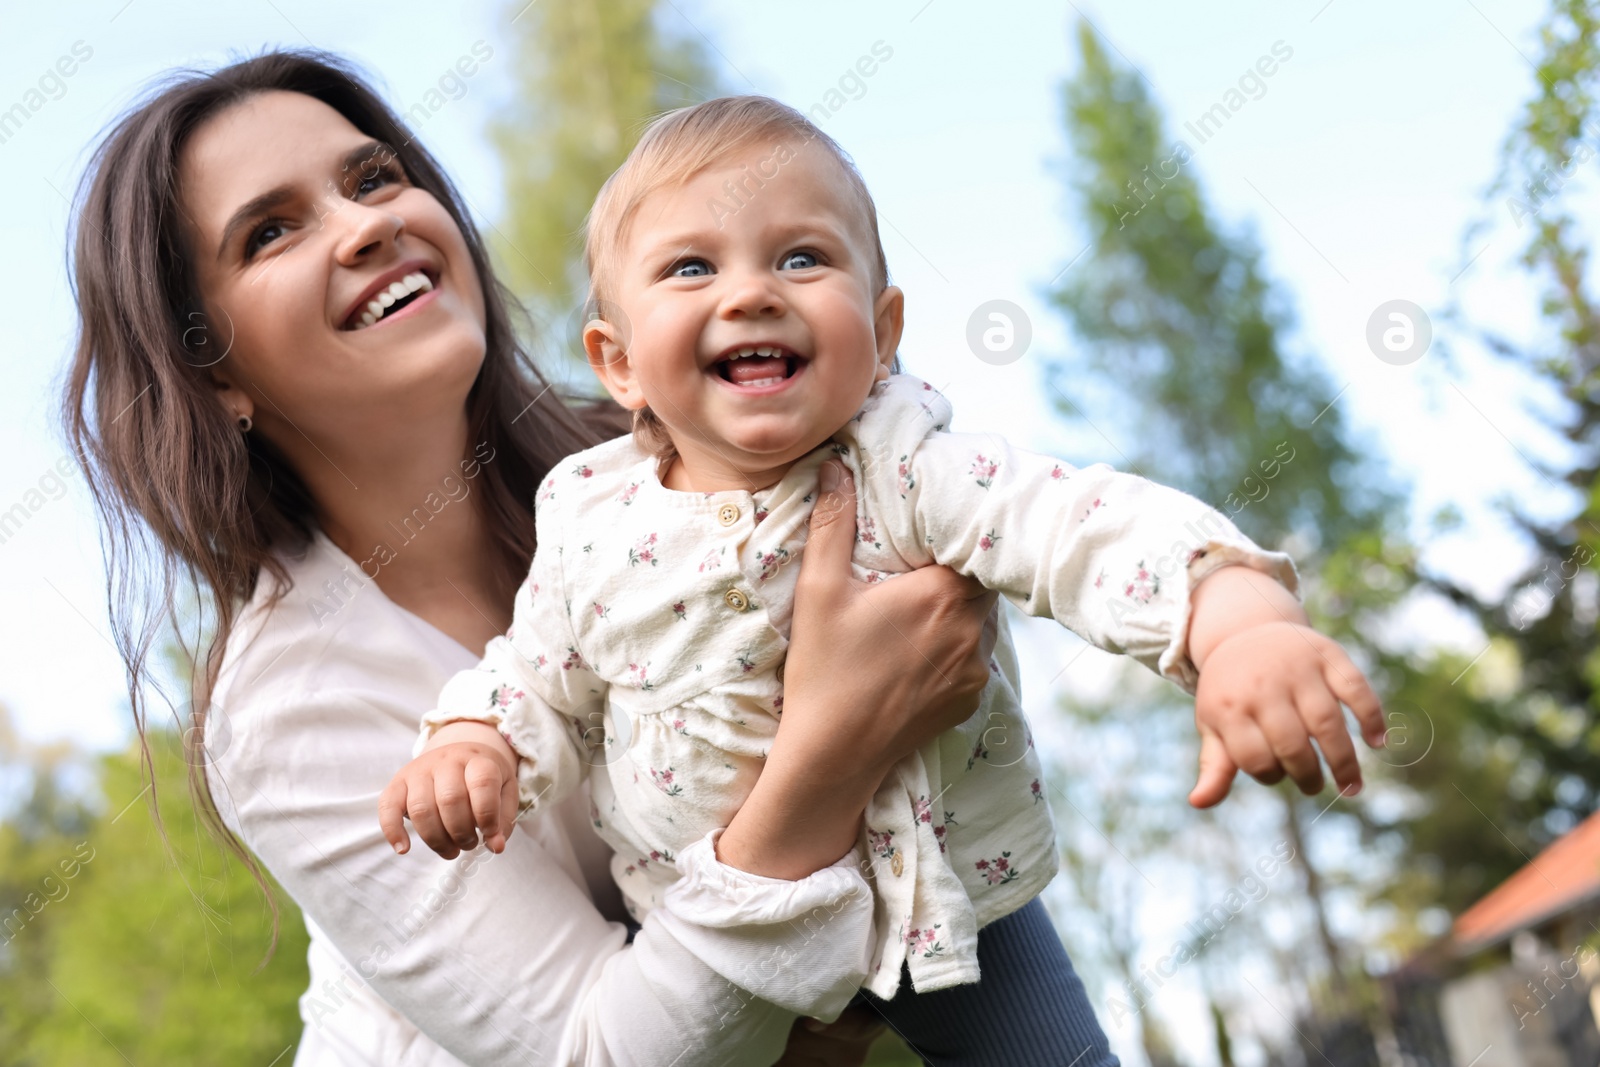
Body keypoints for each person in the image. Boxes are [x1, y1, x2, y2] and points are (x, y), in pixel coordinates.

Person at [60, 49, 1081, 1066]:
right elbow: (594, 1049)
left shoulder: (665, 466)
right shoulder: (286, 700)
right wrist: (835, 746)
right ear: (210, 372)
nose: (368, 223)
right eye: (271, 231)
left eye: (374, 178)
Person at [381, 97, 1387, 1064]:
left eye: (802, 257)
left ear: (883, 326)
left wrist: (1233, 615)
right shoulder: (590, 514)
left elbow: (1076, 522)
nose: (750, 291)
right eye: (691, 266)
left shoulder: (905, 463)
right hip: (729, 931)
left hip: (951, 897)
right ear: (619, 362)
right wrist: (477, 737)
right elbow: (540, 674)